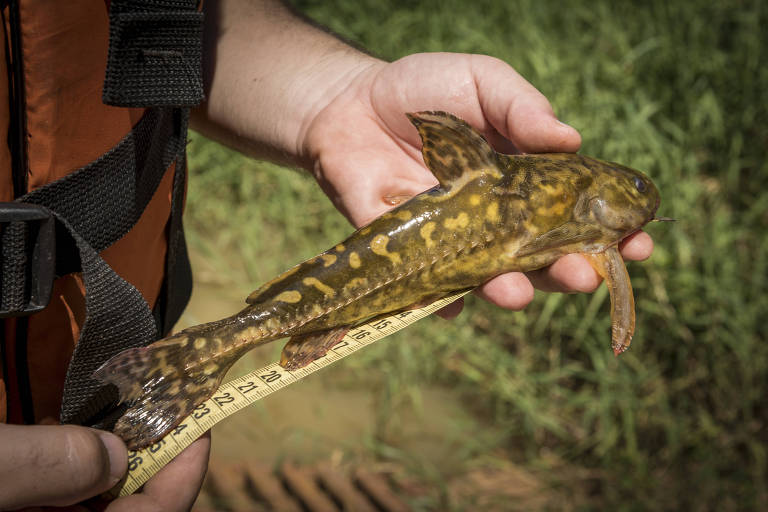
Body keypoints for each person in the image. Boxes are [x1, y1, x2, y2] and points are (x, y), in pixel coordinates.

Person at [0, 1, 653, 510]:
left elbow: (183, 15)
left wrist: (337, 94)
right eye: (635, 193)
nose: (640, 201)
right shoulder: (568, 214)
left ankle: (177, 367)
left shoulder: (534, 198)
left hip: (97, 340)